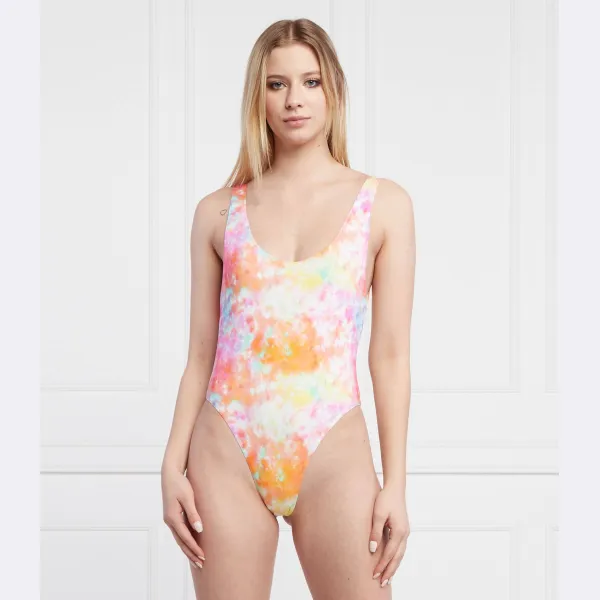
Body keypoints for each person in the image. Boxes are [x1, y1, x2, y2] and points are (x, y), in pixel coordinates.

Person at [161, 17, 415, 600]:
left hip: (331, 448)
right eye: (277, 84)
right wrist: (172, 465)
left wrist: (396, 484)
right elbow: (200, 353)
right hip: (226, 447)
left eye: (310, 81)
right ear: (259, 95)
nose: (293, 99)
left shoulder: (383, 206)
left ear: (334, 90)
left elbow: (391, 356)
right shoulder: (217, 212)